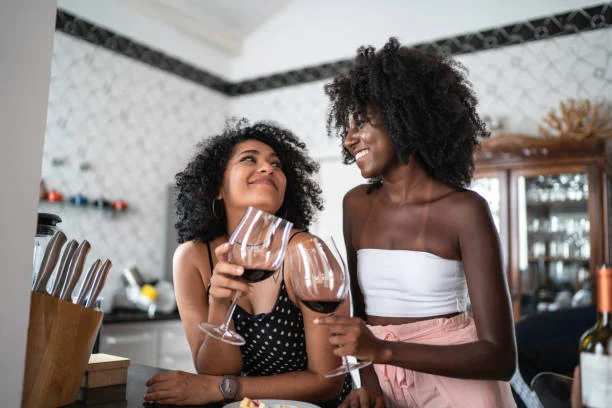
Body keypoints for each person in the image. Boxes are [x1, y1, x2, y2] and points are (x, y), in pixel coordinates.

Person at [316, 37, 518, 407]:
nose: (348, 139)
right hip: (389, 388)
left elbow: (500, 357)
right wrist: (371, 386)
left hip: (460, 391)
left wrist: (384, 350)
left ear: (401, 114)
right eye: (346, 127)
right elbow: (361, 317)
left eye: (359, 122)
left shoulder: (464, 210)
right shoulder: (355, 205)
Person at [144, 120, 352, 406]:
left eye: (276, 164)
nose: (269, 168)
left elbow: (327, 382)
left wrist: (225, 388)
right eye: (249, 159)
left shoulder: (304, 251)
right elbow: (213, 371)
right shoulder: (192, 258)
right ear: (217, 187)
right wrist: (219, 307)